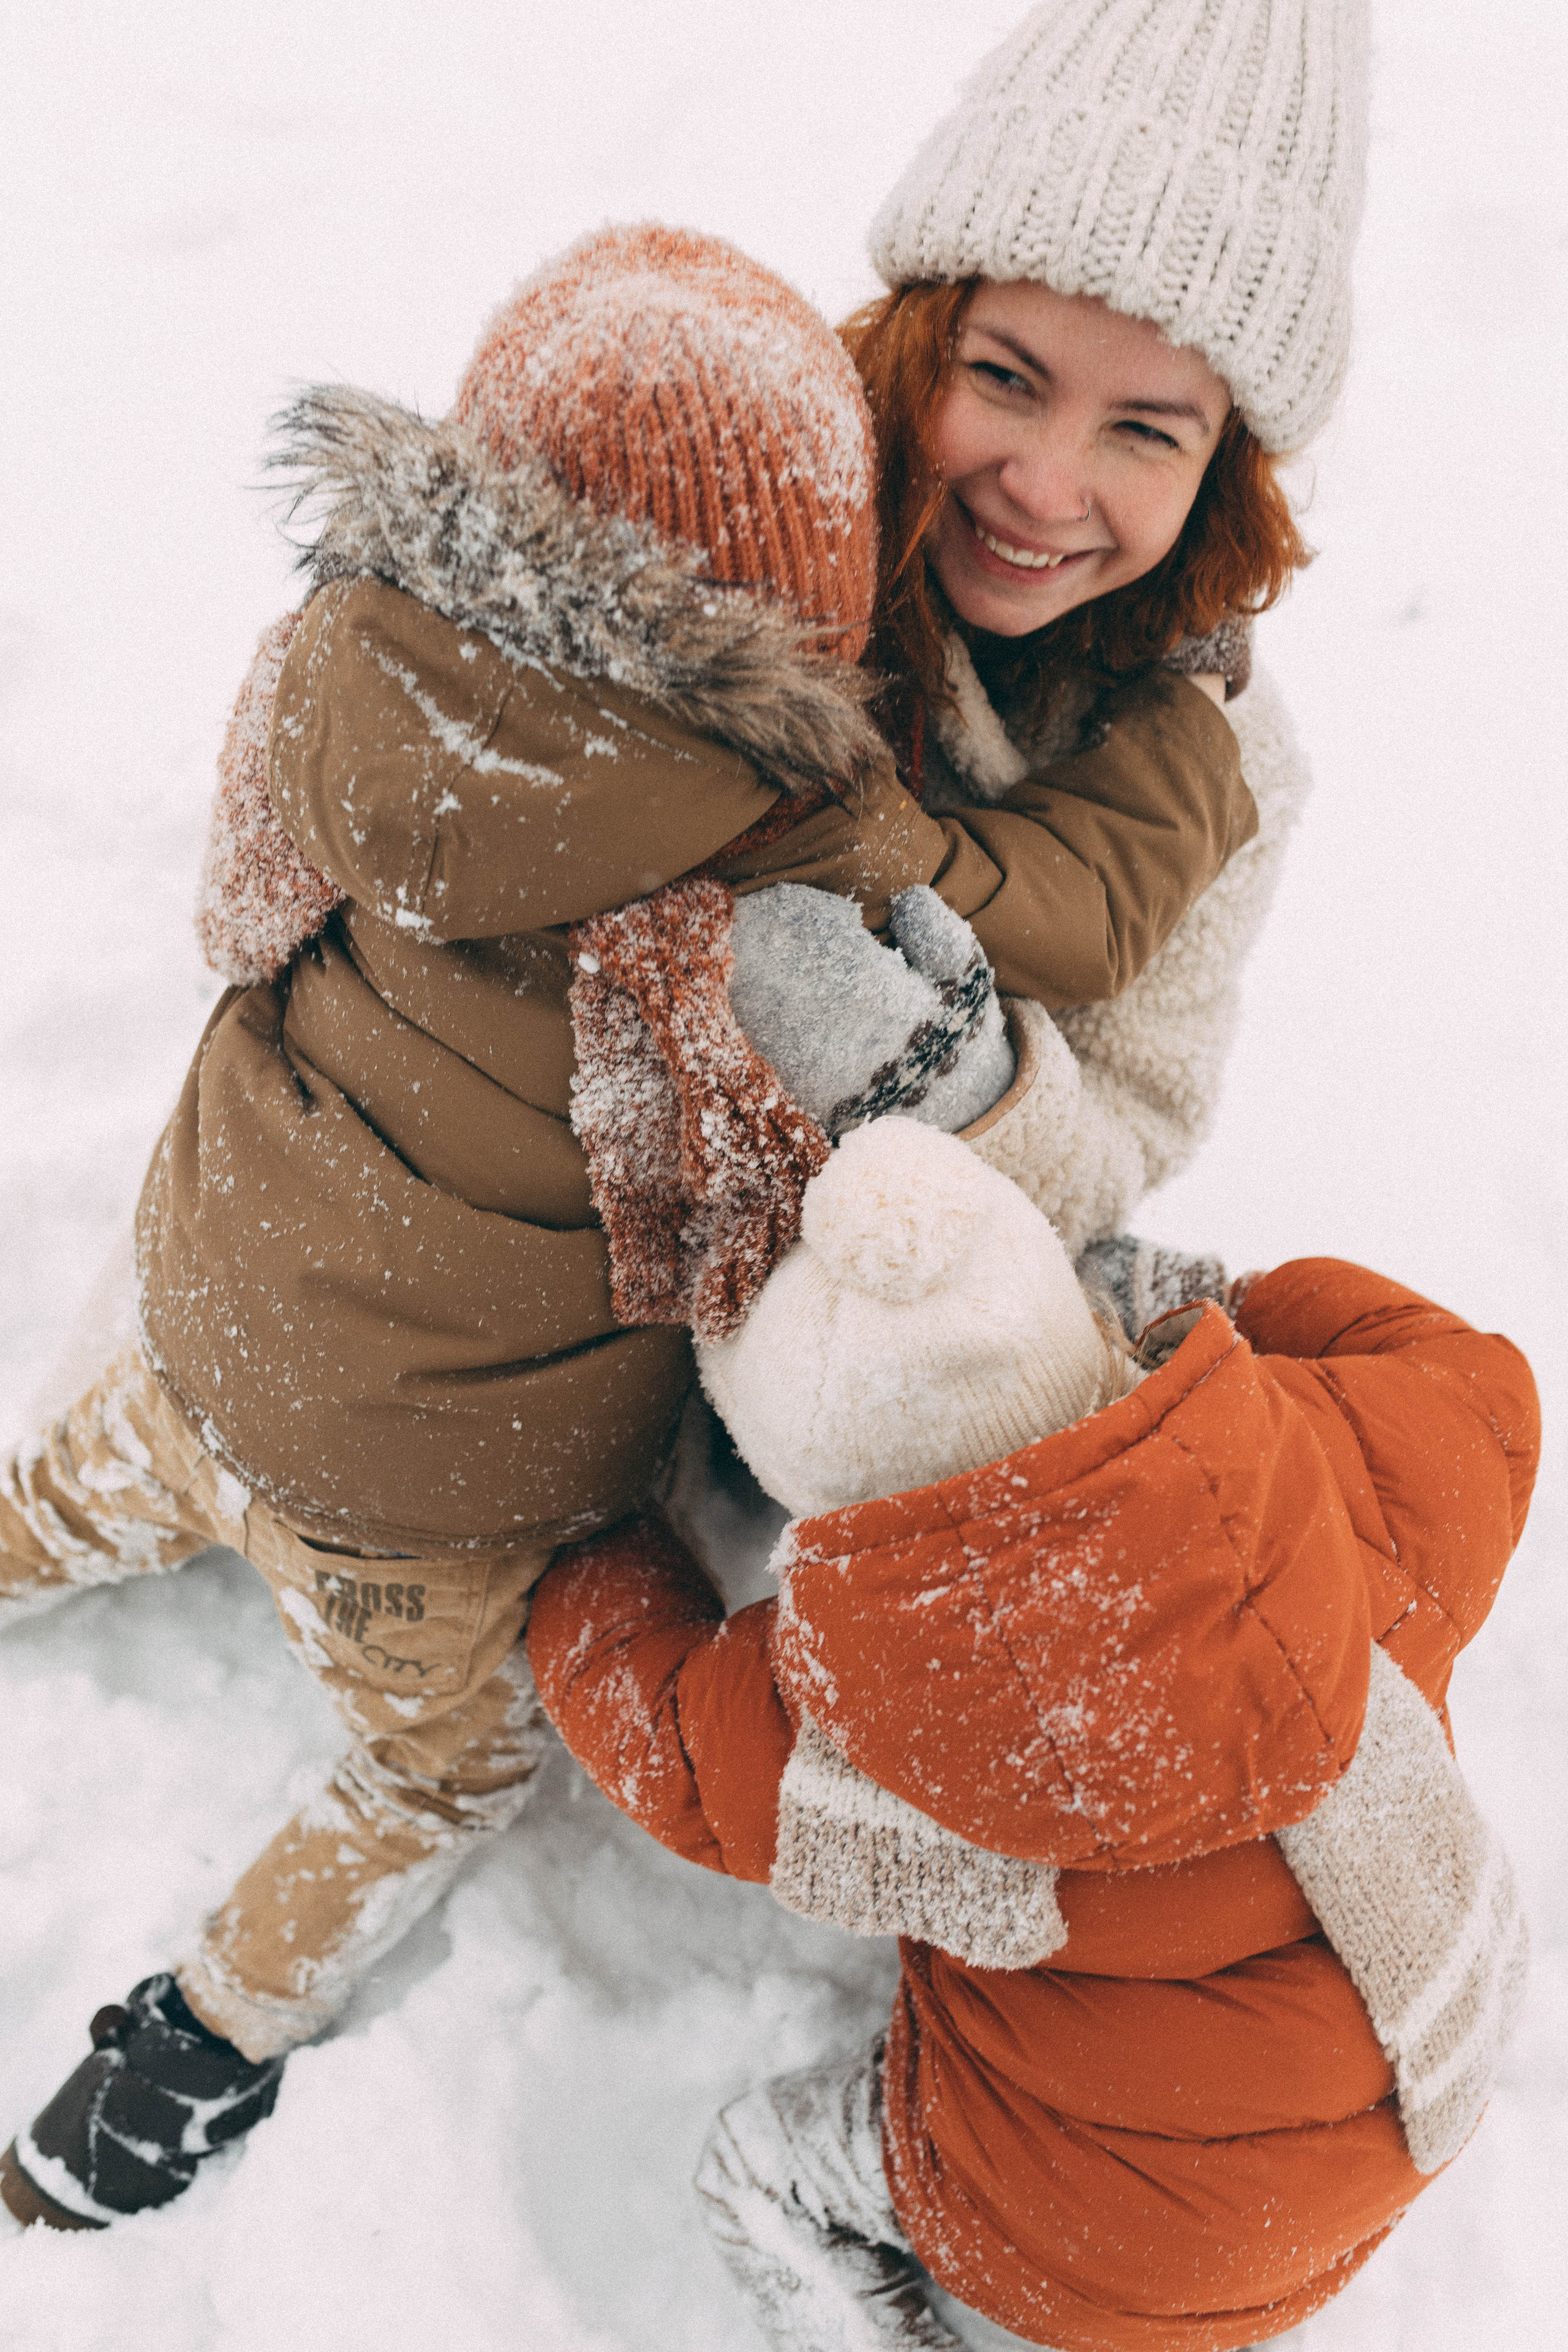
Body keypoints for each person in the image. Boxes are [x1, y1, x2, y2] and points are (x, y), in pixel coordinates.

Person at [0, 219, 1250, 2229]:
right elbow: (723, 1227)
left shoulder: (322, 658)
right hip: (429, 1512)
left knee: (61, 1493)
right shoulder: (767, 876)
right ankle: (201, 2037)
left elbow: (238, 923)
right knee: (440, 1775)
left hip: (198, 1333)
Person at [527, 1118, 1539, 2352]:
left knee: (758, 2175)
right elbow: (1467, 1382)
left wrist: (583, 1544)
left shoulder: (856, 1710)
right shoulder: (1330, 1479)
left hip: (1070, 2248)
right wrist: (1206, 1312)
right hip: (1416, 2080)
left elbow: (661, 1737)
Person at [837, 0, 1371, 1325]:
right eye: (1005, 379)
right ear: (921, 335)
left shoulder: (1226, 768)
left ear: (1218, 470)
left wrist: (947, 1081)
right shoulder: (751, 509)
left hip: (872, 1282)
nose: (1046, 487)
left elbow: (1128, 1120)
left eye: (1143, 432)